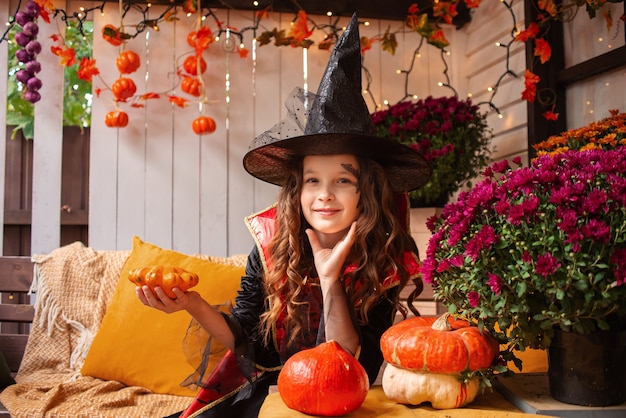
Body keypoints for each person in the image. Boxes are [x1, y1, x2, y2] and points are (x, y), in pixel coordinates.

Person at [136, 13, 431, 418]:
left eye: (342, 181)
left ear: (367, 192)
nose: (324, 195)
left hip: (341, 403)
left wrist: (330, 280)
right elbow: (246, 342)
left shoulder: (384, 259)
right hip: (267, 395)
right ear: (298, 189)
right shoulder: (272, 244)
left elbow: (348, 366)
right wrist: (192, 303)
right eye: (312, 181)